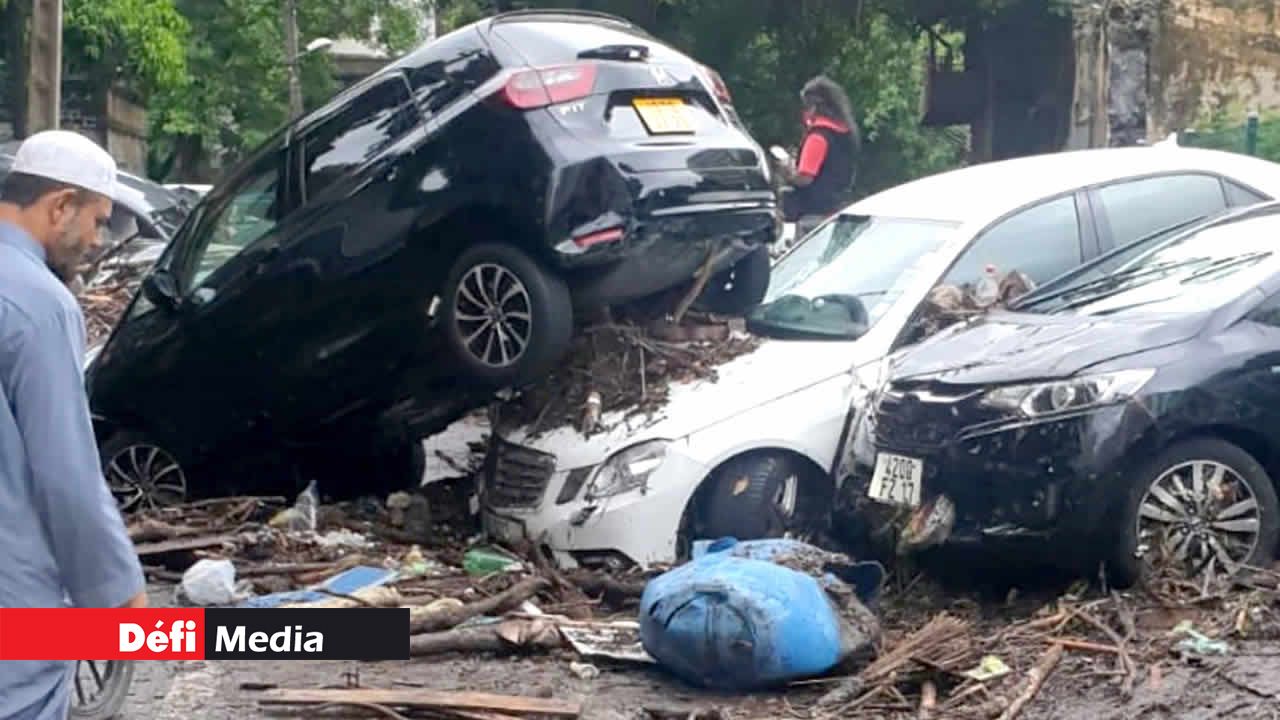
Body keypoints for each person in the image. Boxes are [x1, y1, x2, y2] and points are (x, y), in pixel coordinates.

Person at [0, 130, 148, 720]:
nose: (96, 240)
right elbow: (66, 474)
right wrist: (118, 591)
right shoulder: (38, 303)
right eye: (97, 220)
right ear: (60, 206)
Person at [777, 75, 860, 230]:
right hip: (838, 209)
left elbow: (805, 177)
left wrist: (787, 170)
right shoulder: (845, 133)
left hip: (814, 215)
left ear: (814, 107)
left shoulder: (818, 136)